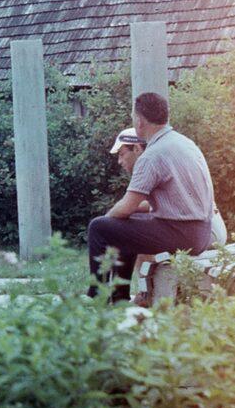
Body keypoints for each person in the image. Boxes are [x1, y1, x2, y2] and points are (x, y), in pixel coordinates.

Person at [87, 93, 215, 302]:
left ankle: (96, 297)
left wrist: (108, 219)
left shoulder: (152, 155)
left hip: (182, 234)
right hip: (202, 232)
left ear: (139, 121)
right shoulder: (184, 143)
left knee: (99, 227)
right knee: (124, 226)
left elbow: (126, 207)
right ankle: (119, 297)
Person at [109, 127, 227, 247]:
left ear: (137, 148)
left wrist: (114, 216)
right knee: (140, 222)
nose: (119, 161)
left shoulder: (152, 161)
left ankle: (135, 261)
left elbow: (131, 207)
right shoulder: (164, 155)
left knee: (140, 228)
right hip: (211, 228)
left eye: (122, 154)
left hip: (208, 232)